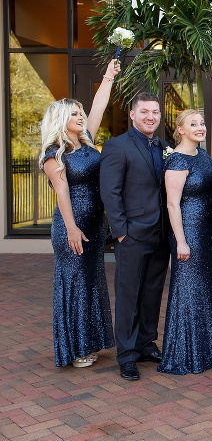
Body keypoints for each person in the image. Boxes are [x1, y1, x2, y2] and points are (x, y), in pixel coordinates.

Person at [40, 60, 120, 369]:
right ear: (61, 119)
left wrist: (108, 77)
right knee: (74, 285)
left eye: (80, 112)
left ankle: (91, 341)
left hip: (95, 226)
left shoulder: (86, 140)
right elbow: (62, 192)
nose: (81, 116)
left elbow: (98, 107)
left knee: (91, 282)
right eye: (74, 113)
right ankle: (76, 348)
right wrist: (72, 228)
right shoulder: (54, 153)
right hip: (71, 227)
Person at [101, 92, 171, 381]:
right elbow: (110, 192)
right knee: (129, 296)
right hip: (132, 235)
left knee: (152, 293)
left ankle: (145, 344)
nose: (150, 117)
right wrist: (121, 233)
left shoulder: (165, 147)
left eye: (155, 112)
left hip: (161, 234)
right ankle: (127, 355)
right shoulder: (117, 146)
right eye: (144, 112)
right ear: (132, 115)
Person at [157, 110, 212, 374]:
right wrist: (181, 241)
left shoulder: (204, 156)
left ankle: (208, 350)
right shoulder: (176, 160)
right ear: (181, 130)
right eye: (193, 124)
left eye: (202, 123)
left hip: (208, 233)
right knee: (189, 291)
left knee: (208, 288)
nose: (200, 127)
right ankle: (187, 353)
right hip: (188, 234)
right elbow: (172, 205)